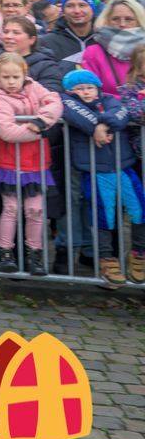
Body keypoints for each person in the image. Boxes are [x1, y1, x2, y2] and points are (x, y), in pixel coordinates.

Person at [60, 70, 145, 288]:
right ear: (69, 91)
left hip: (123, 165)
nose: (86, 92)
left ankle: (139, 252)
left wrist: (104, 125)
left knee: (139, 208)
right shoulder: (66, 101)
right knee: (104, 216)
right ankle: (107, 258)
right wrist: (95, 127)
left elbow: (122, 112)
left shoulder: (109, 99)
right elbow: (75, 113)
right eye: (79, 88)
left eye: (90, 87)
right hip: (95, 170)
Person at [0, 53, 62, 275]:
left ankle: (34, 253)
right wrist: (40, 132)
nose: (11, 82)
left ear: (24, 75)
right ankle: (5, 251)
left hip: (36, 162)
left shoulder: (34, 87)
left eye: (15, 77)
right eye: (5, 77)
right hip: (9, 161)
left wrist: (42, 120)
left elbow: (55, 101)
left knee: (35, 210)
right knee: (11, 209)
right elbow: (7, 131)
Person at [0, 17, 66, 94]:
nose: (8, 36)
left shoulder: (46, 67)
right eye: (6, 32)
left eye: (16, 33)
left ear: (32, 39)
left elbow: (50, 95)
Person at [80, 0, 145, 98]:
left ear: (139, 21)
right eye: (115, 19)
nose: (122, 24)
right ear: (107, 21)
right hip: (109, 107)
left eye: (129, 19)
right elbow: (90, 93)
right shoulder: (93, 53)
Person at [39, 0, 98, 73]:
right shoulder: (47, 42)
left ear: (92, 9)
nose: (77, 11)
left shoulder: (103, 40)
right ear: (63, 11)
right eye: (70, 6)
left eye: (82, 5)